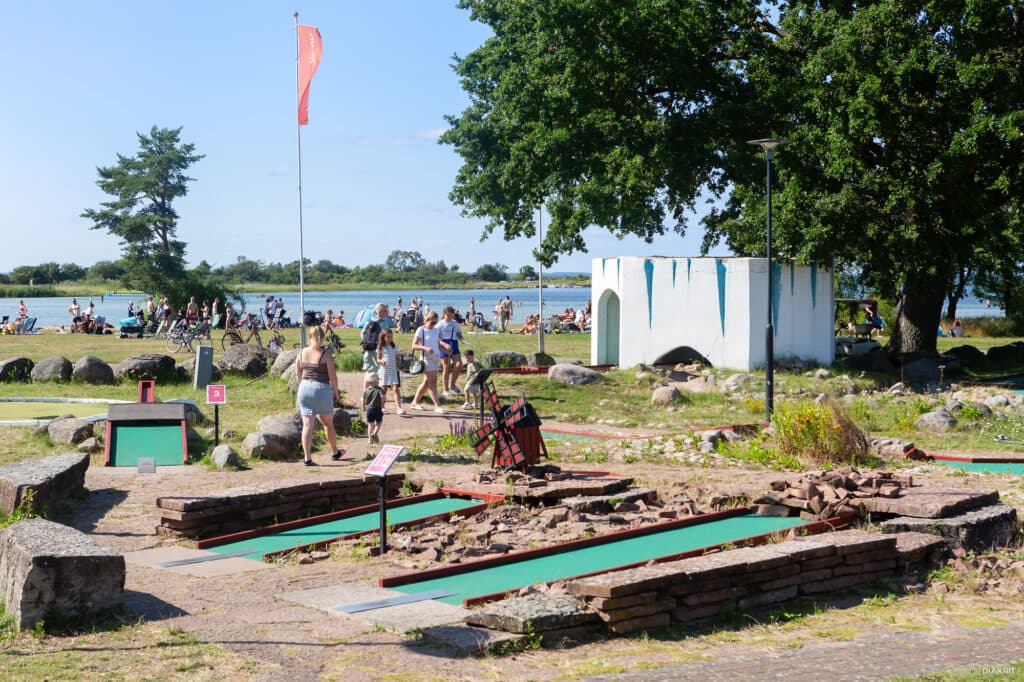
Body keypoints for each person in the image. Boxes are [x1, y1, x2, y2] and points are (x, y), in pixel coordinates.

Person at [294, 326, 344, 465]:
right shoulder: (326, 354)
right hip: (321, 389)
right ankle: (335, 452)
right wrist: (336, 392)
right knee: (328, 424)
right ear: (322, 338)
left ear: (309, 337)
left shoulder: (302, 352)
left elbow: (298, 372)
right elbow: (333, 377)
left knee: (307, 426)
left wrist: (301, 386)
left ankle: (307, 458)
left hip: (304, 388)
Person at [409, 310, 445, 413]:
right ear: (426, 320)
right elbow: (414, 345)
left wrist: (445, 349)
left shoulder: (435, 330)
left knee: (426, 382)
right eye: (432, 322)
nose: (434, 324)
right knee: (432, 381)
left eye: (436, 322)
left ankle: (415, 402)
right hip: (426, 357)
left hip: (436, 357)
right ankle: (437, 406)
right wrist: (425, 348)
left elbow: (436, 343)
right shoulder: (421, 330)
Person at [438, 306, 467, 398]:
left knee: (459, 364)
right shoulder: (440, 324)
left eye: (452, 315)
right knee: (446, 366)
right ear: (444, 314)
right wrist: (444, 345)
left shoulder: (455, 323)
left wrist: (462, 339)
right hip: (444, 343)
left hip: (454, 343)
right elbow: (436, 338)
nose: (450, 317)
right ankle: (445, 390)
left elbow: (458, 333)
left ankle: (453, 384)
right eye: (449, 315)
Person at [376, 328, 404, 414]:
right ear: (383, 337)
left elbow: (396, 356)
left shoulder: (393, 346)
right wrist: (382, 361)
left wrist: (398, 360)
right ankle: (382, 406)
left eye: (391, 337)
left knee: (395, 388)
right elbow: (378, 359)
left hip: (393, 370)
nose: (390, 338)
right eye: (388, 337)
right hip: (384, 371)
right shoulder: (381, 347)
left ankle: (399, 408)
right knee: (383, 390)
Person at [362, 373, 385, 445]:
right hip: (377, 408)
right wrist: (382, 405)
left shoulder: (365, 391)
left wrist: (363, 407)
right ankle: (375, 433)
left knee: (370, 425)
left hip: (369, 409)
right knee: (379, 423)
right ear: (375, 381)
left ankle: (370, 439)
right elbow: (383, 397)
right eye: (377, 380)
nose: (378, 381)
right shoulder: (379, 389)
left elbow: (363, 400)